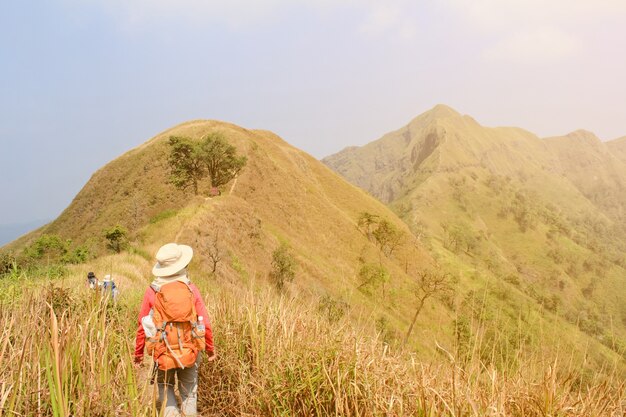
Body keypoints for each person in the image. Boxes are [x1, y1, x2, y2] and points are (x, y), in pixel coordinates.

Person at [134, 243, 215, 417]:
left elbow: (142, 326)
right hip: (190, 349)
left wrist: (138, 354)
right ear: (183, 266)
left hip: (163, 351)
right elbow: (205, 323)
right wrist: (210, 349)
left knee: (165, 388)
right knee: (189, 391)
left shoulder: (152, 291)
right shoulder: (191, 289)